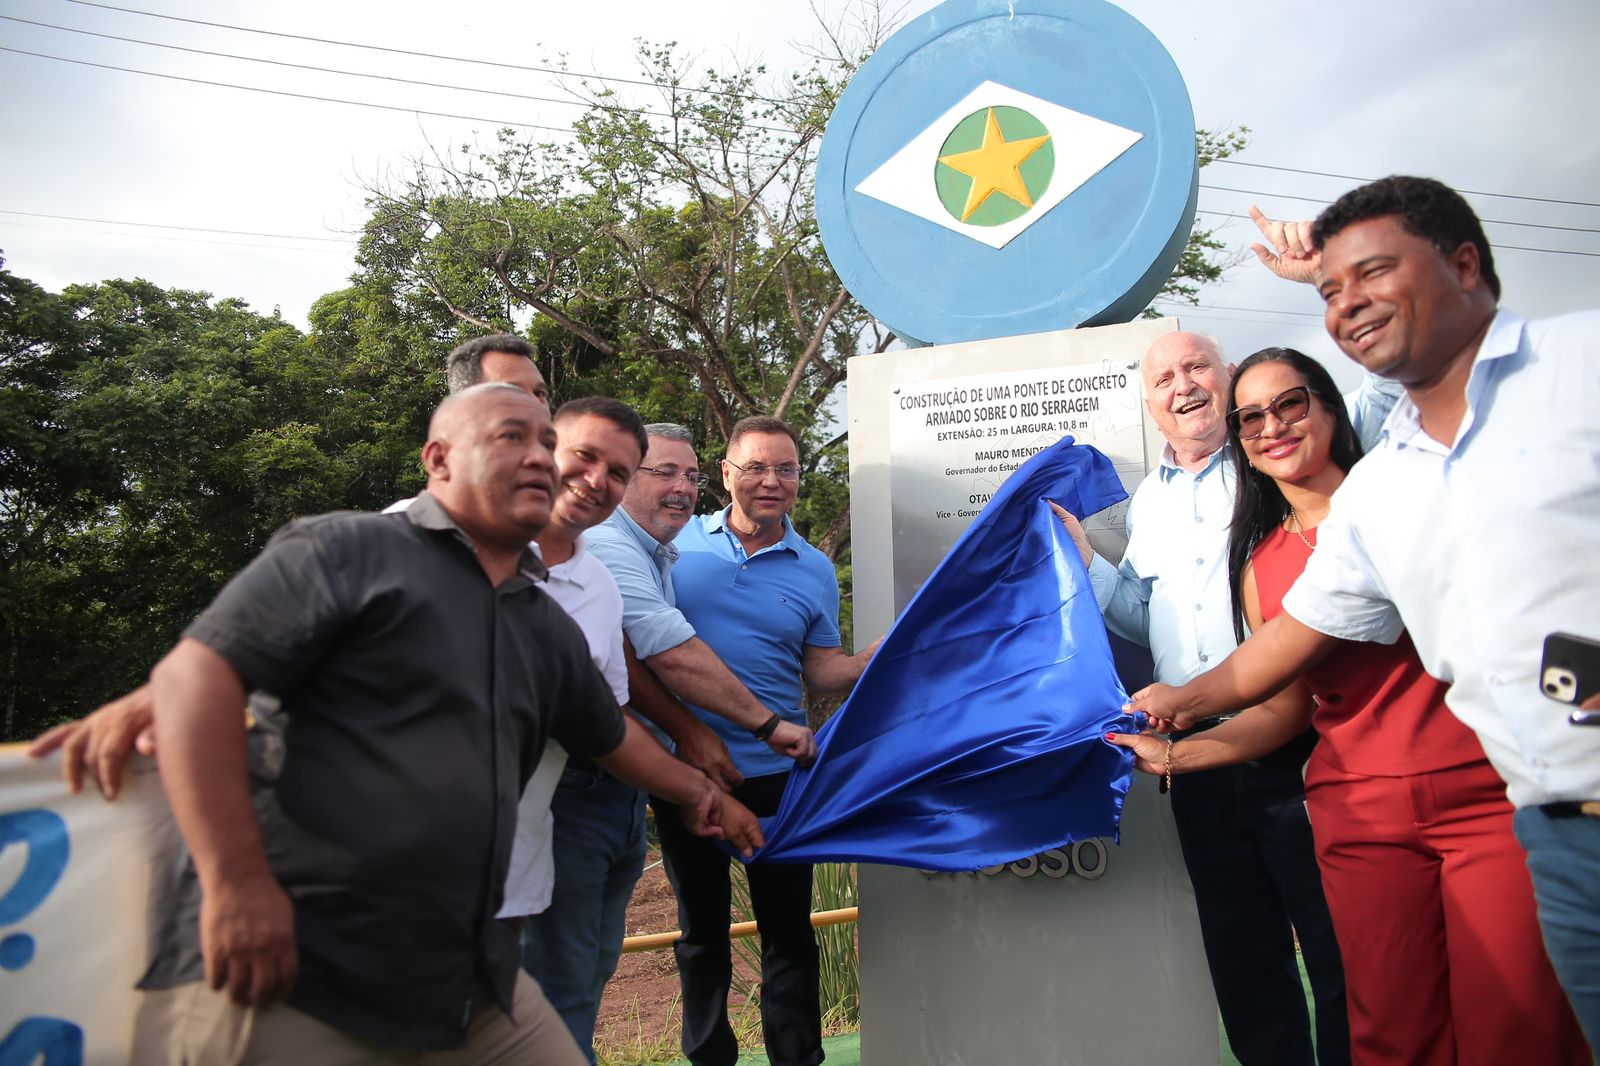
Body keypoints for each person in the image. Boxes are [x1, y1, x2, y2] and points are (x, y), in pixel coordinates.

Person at [127, 384, 762, 1065]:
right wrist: (234, 886)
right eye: (511, 437)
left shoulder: (546, 623)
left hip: (468, 972)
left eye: (544, 441)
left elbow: (611, 736)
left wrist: (703, 797)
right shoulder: (348, 550)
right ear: (438, 459)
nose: (541, 458)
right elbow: (193, 682)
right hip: (296, 957)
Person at [1125, 175, 1600, 1051]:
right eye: (1252, 418)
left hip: (1499, 797)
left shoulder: (1534, 389)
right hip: (1358, 813)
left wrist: (1322, 279)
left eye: (1289, 404)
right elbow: (1282, 670)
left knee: (1518, 1033)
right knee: (1391, 1033)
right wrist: (1173, 724)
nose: (1270, 427)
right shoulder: (1350, 510)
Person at [1058, 321, 1379, 1065]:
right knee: (1244, 961)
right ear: (1149, 403)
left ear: (1228, 376)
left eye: (1196, 368)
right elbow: (1142, 613)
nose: (1183, 387)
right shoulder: (1148, 505)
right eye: (1165, 381)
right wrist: (1086, 562)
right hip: (1196, 762)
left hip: (1301, 742)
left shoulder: (1275, 468)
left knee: (1340, 952)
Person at [649, 415, 876, 1066]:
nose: (771, 481)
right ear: (726, 474)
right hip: (685, 772)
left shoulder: (813, 569)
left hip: (780, 776)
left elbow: (820, 668)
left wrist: (870, 662)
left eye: (786, 469)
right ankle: (709, 1058)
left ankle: (797, 1058)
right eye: (755, 467)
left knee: (788, 935)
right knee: (701, 935)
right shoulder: (674, 547)